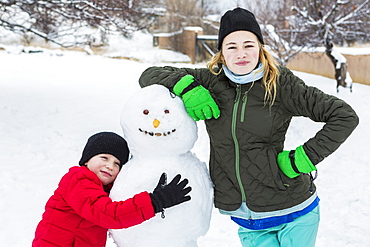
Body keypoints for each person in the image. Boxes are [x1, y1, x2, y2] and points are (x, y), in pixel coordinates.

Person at [138, 7, 359, 247]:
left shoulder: (280, 84)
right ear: (221, 53)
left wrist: (302, 159)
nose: (241, 53)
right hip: (247, 218)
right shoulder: (212, 82)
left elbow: (344, 115)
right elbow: (149, 75)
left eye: (249, 45)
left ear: (260, 48)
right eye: (231, 46)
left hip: (294, 211)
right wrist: (188, 88)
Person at [32, 131, 192, 247]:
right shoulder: (78, 180)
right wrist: (155, 202)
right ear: (87, 160)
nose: (110, 166)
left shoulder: (105, 190)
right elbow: (108, 214)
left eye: (117, 163)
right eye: (104, 158)